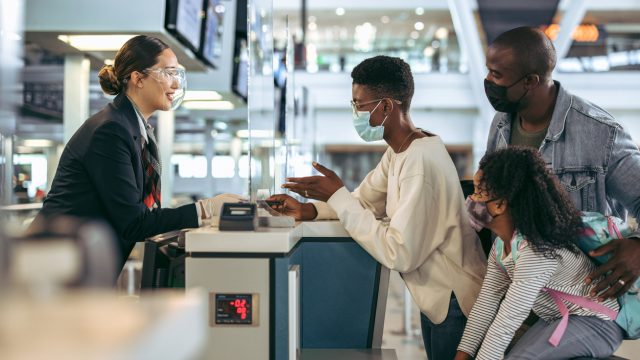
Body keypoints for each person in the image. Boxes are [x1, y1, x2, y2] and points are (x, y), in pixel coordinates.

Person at [269, 55, 487, 360]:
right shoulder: (401, 150)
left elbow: (400, 252)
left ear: (386, 106)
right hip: (438, 300)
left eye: (359, 104)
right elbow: (364, 202)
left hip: (454, 302)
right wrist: (310, 210)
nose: (355, 112)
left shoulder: (419, 161)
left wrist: (337, 194)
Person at [35, 35, 240, 275]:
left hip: (79, 263)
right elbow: (135, 222)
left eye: (177, 75)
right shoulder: (110, 131)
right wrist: (204, 209)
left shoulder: (133, 128)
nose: (175, 85)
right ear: (138, 78)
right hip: (57, 266)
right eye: (168, 73)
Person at [483, 26, 640, 299]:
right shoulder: (501, 123)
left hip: (581, 295)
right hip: (517, 292)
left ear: (530, 81)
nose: (488, 80)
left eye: (496, 74)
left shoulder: (600, 133)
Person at [455, 146, 624, 360]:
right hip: (560, 318)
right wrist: (462, 355)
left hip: (597, 321)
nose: (471, 198)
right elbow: (486, 304)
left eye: (478, 192)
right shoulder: (501, 248)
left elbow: (507, 320)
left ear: (499, 204)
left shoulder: (535, 252)